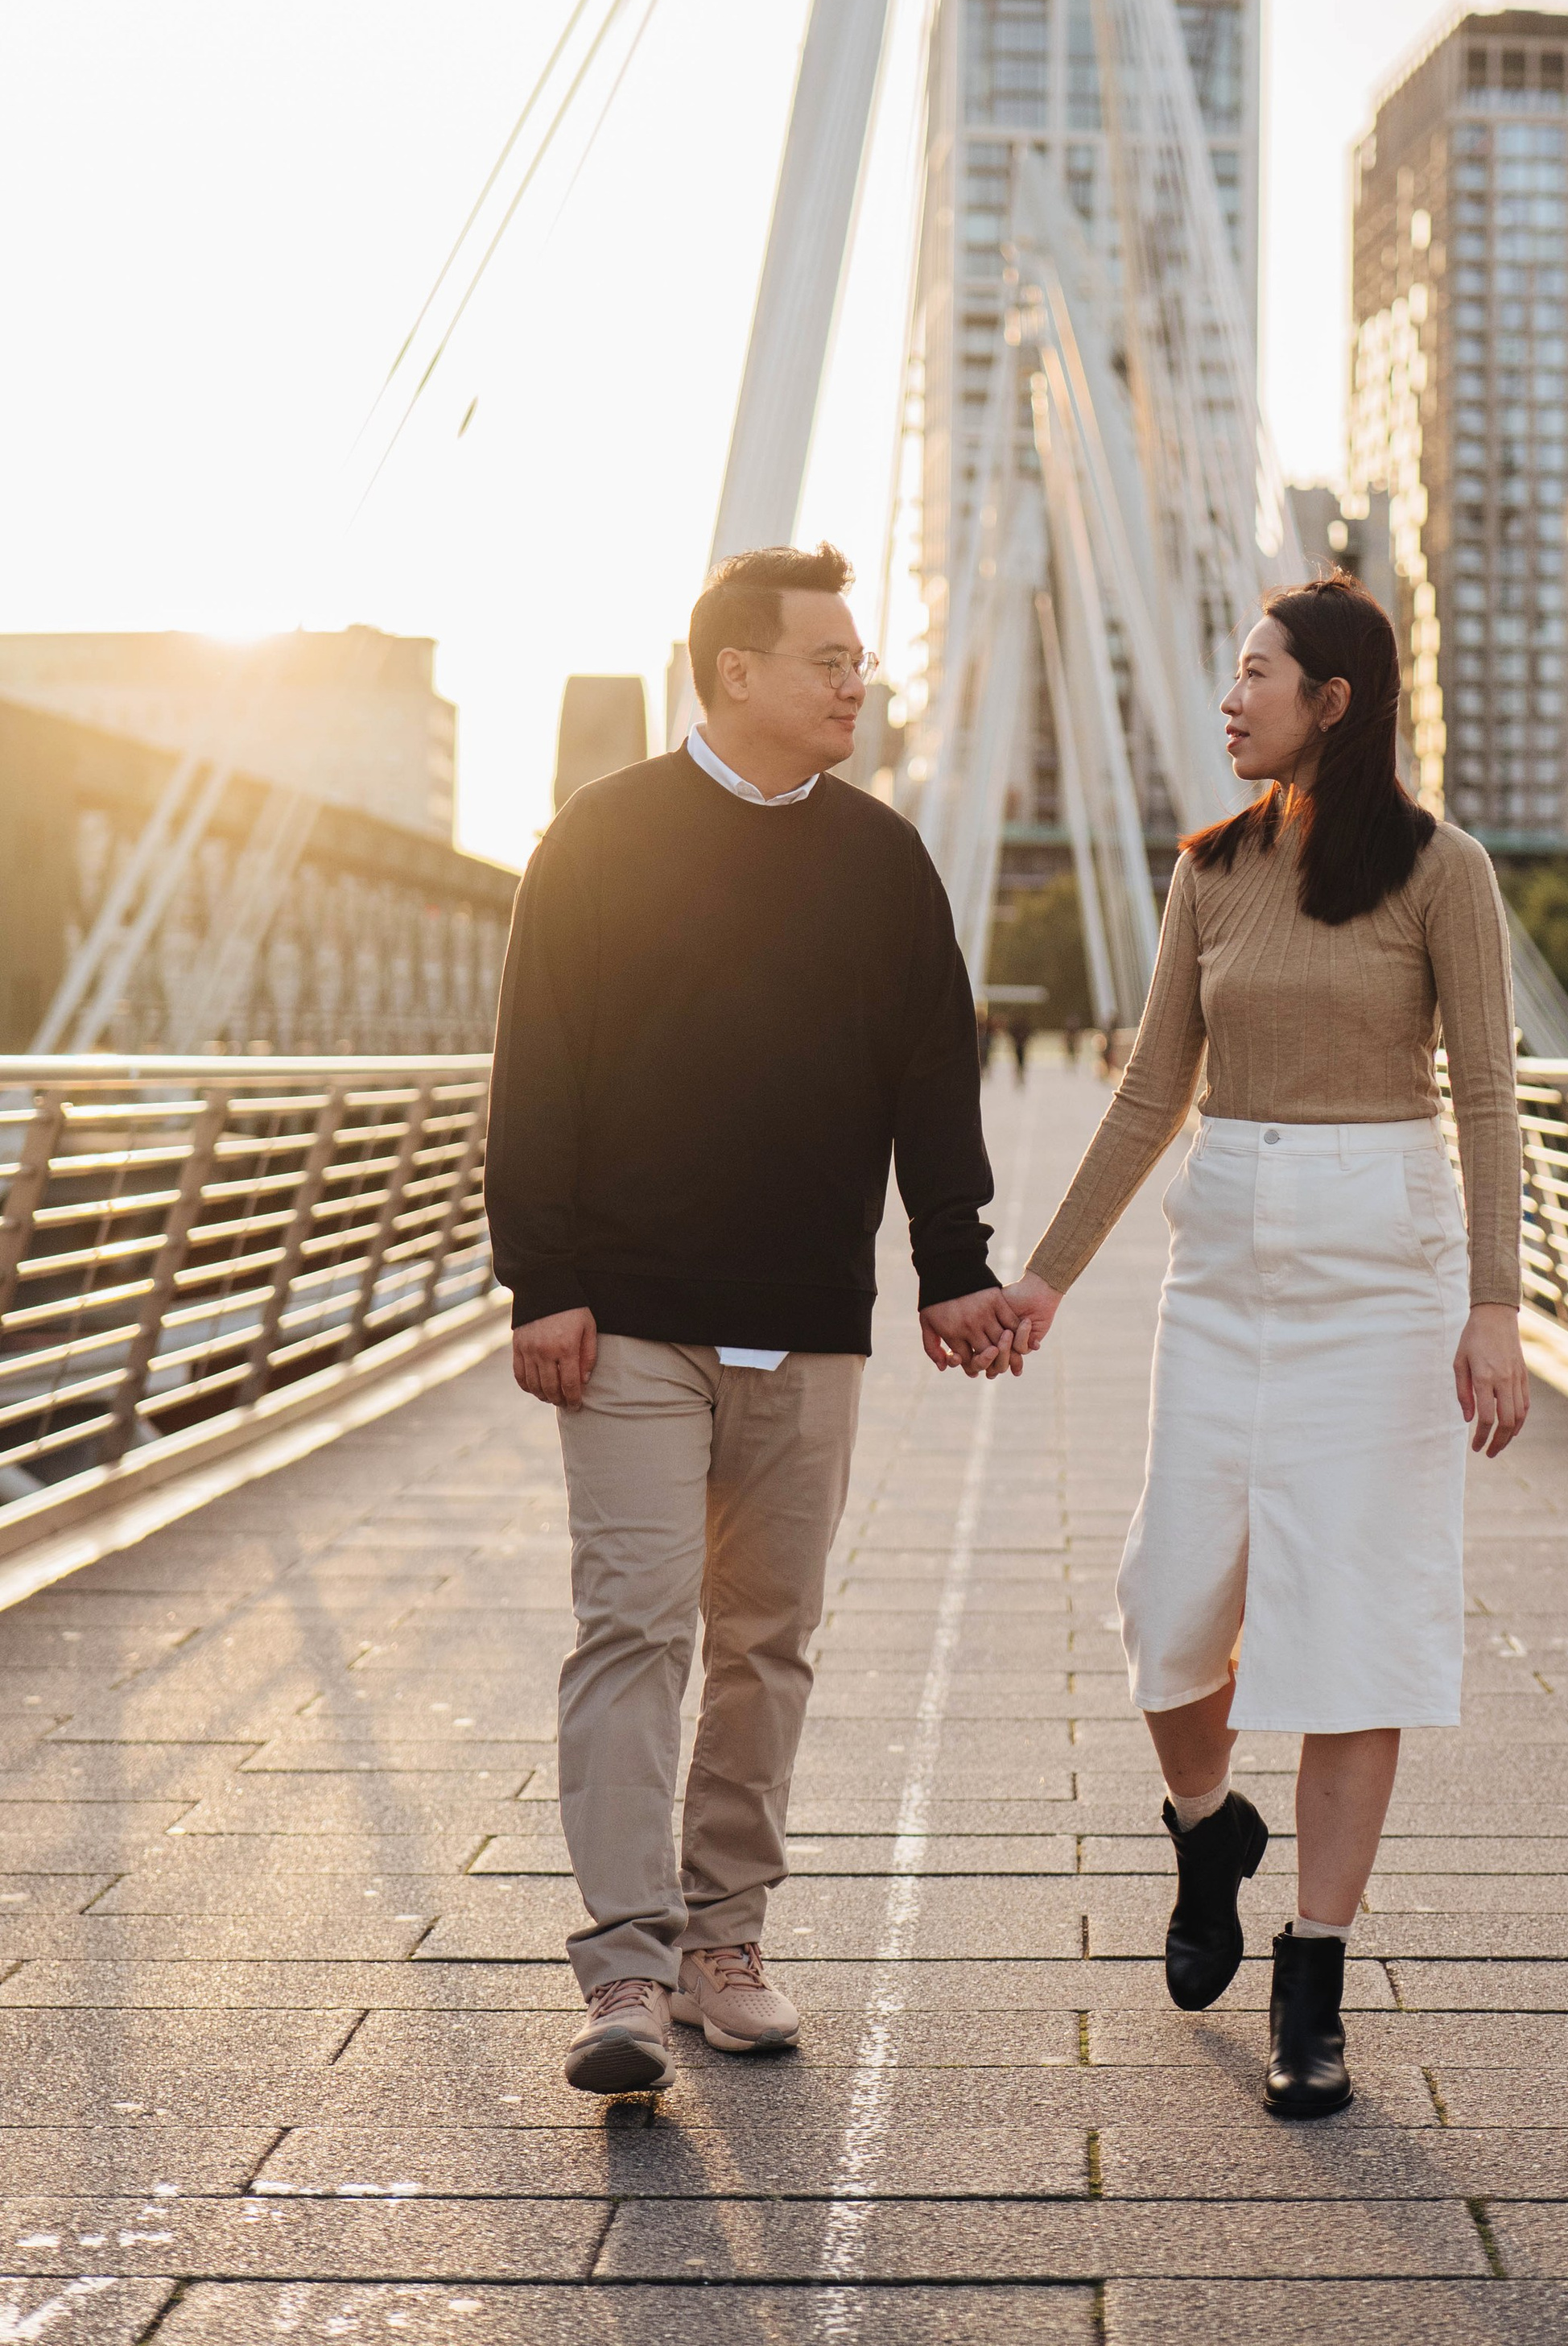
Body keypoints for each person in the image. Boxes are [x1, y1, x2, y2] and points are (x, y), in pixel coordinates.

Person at [486, 542, 1020, 2098]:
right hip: (633, 1321)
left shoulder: (884, 860)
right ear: (736, 674)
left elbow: (935, 1072)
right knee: (636, 1624)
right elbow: (539, 1063)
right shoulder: (598, 839)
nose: (859, 680)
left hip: (810, 1319)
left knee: (767, 1642)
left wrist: (953, 1265)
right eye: (829, 659)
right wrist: (546, 1279)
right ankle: (630, 1973)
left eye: (859, 660)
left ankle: (730, 1942)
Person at [1002, 576, 1526, 2121]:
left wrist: (1494, 1307)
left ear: (1333, 701)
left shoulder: (1444, 874)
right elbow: (1151, 1091)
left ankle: (1314, 1986)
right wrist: (1043, 1278)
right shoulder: (1211, 872)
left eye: (1254, 676)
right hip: (1225, 1259)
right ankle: (1207, 1822)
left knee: (1353, 1634)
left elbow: (1489, 1094)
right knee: (1171, 1603)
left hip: (1386, 1265)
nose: (1228, 702)